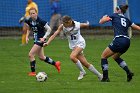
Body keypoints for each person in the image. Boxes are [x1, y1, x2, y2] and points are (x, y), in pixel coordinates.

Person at [44, 15, 103, 80]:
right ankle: (100, 75)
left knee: (72, 57)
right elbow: (54, 35)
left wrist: (87, 24)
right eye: (62, 23)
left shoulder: (77, 25)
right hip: (74, 46)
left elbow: (85, 25)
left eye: (64, 23)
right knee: (85, 63)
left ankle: (82, 72)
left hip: (80, 43)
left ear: (69, 22)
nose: (63, 24)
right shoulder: (62, 26)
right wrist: (47, 43)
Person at [99, 4, 140, 82]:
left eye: (116, 8)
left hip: (119, 40)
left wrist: (104, 17)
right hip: (127, 41)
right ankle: (129, 73)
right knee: (115, 57)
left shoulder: (114, 15)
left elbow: (101, 22)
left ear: (118, 10)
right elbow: (138, 28)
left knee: (103, 56)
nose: (115, 9)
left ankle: (105, 77)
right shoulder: (127, 19)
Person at [25, 7, 61, 76]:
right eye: (31, 13)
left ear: (36, 13)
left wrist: (44, 38)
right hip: (36, 40)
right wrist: (27, 36)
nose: (32, 15)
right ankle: (56, 64)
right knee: (42, 57)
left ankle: (33, 72)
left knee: (31, 54)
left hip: (40, 40)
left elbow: (49, 29)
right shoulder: (29, 20)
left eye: (34, 13)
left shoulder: (41, 21)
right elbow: (29, 28)